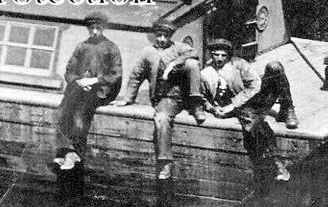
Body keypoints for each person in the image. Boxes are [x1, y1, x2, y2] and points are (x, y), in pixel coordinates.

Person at [111, 21, 208, 181]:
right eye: (159, 36)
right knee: (162, 118)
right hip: (167, 97)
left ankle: (197, 106)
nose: (162, 39)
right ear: (154, 36)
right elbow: (136, 75)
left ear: (171, 37)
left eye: (166, 36)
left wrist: (173, 64)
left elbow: (193, 53)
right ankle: (165, 161)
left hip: (187, 95)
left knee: (192, 64)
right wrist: (127, 98)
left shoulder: (179, 48)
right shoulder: (147, 52)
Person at [198, 38, 299, 189]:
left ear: (229, 56)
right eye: (216, 54)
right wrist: (213, 108)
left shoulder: (239, 65)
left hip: (252, 99)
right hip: (235, 109)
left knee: (275, 67)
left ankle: (288, 108)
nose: (219, 58)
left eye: (223, 55)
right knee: (251, 121)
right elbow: (202, 97)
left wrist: (233, 104)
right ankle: (276, 164)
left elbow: (255, 85)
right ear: (210, 55)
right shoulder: (206, 72)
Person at [53, 11, 123, 171]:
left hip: (101, 91)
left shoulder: (111, 48)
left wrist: (95, 80)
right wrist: (78, 81)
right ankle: (64, 150)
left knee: (80, 113)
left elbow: (116, 74)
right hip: (80, 87)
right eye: (92, 28)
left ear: (103, 28)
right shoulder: (82, 46)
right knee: (62, 111)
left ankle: (74, 153)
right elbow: (69, 71)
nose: (95, 31)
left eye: (98, 28)